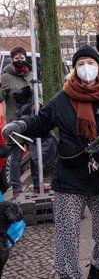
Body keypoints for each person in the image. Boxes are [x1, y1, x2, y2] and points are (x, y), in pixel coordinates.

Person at [2, 46, 99, 279]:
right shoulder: (63, 98)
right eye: (81, 63)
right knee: (68, 235)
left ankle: (97, 274)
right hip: (70, 177)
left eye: (91, 62)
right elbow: (40, 121)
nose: (87, 67)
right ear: (74, 68)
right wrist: (20, 125)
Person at [0, 47, 47, 196]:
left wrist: (38, 103)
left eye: (22, 58)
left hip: (31, 120)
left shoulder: (32, 74)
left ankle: (37, 184)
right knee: (16, 155)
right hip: (15, 122)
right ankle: (16, 188)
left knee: (35, 153)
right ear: (12, 59)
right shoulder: (6, 77)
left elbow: (39, 95)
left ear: (25, 58)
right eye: (16, 58)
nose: (19, 61)